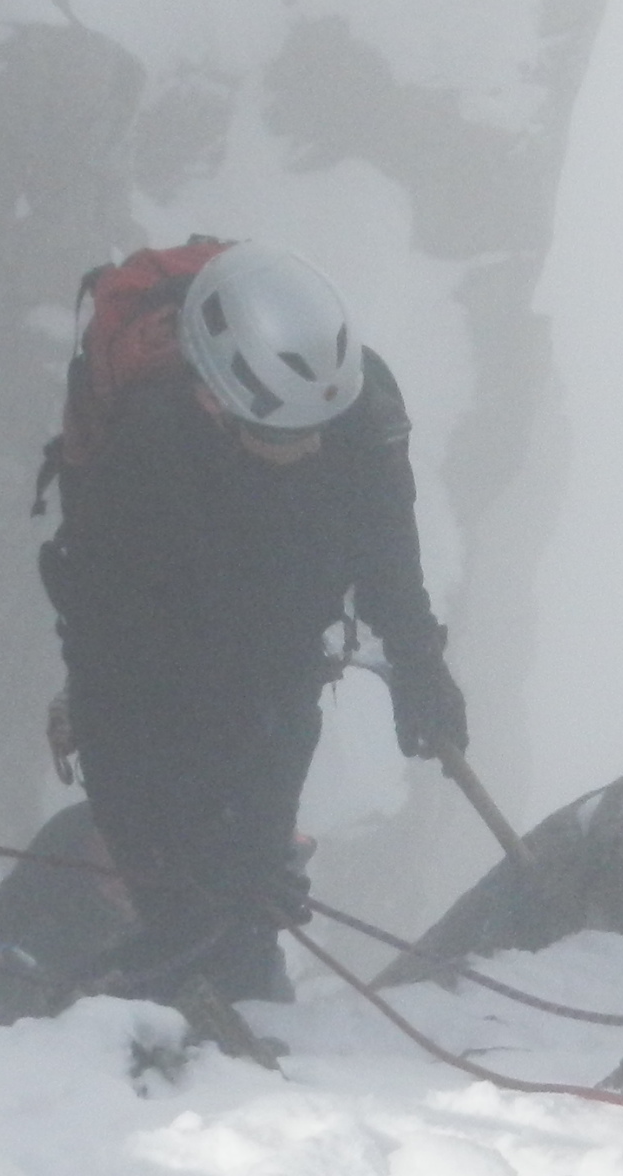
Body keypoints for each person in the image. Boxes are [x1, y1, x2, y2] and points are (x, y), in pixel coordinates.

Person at [29, 239, 466, 1010]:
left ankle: (235, 991)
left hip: (281, 646)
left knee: (251, 884)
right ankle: (164, 1008)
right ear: (211, 398)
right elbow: (109, 654)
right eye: (284, 433)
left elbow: (385, 542)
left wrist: (419, 665)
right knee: (180, 882)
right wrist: (142, 827)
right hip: (162, 653)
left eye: (319, 426)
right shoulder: (145, 455)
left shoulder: (356, 404)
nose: (311, 446)